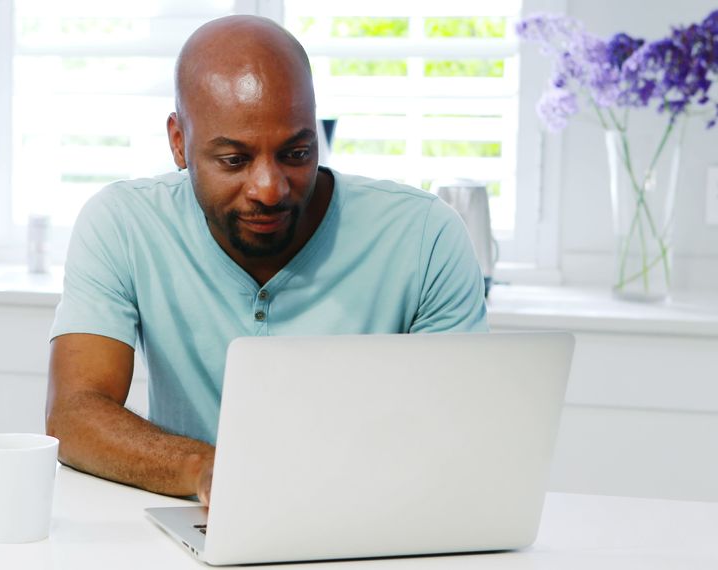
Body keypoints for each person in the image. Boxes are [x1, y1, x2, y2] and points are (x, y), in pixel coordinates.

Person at [46, 15, 488, 506]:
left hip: (374, 515)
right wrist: (208, 471)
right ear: (179, 142)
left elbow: (459, 432)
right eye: (234, 160)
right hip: (199, 518)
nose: (269, 189)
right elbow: (74, 414)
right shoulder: (123, 224)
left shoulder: (426, 235)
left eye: (296, 153)